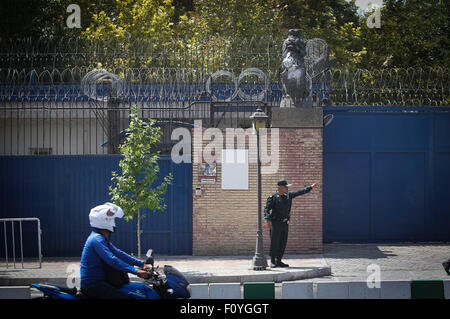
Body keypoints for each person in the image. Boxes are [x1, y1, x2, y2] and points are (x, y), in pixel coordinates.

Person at [80, 202, 151, 299]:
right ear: (105, 220)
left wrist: (141, 264)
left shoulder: (101, 238)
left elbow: (119, 253)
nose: (114, 223)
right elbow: (111, 259)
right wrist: (135, 271)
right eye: (112, 219)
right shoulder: (97, 239)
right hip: (93, 285)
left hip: (101, 282)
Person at [264, 179, 317, 268]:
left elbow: (299, 192)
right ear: (280, 187)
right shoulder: (273, 197)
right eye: (286, 187)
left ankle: (279, 260)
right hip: (275, 223)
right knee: (275, 242)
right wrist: (268, 220)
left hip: (285, 223)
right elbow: (266, 209)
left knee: (283, 242)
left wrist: (310, 187)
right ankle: (273, 261)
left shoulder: (288, 196)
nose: (287, 188)